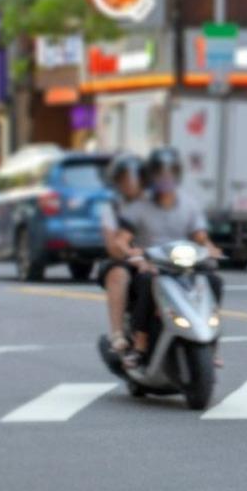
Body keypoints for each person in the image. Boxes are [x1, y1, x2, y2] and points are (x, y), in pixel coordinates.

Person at [120, 147, 223, 370]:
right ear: (150, 176)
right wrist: (133, 253)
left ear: (177, 174)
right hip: (153, 266)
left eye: (170, 172)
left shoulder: (189, 205)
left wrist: (210, 249)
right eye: (159, 172)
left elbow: (200, 237)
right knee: (147, 283)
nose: (165, 177)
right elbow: (123, 239)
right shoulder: (138, 207)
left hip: (184, 266)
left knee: (213, 281)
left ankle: (211, 344)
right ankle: (140, 346)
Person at [96, 153, 146, 357]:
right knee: (119, 272)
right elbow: (114, 247)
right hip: (125, 260)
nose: (130, 183)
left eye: (133, 177)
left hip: (160, 259)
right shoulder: (113, 209)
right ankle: (118, 334)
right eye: (124, 178)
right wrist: (134, 256)